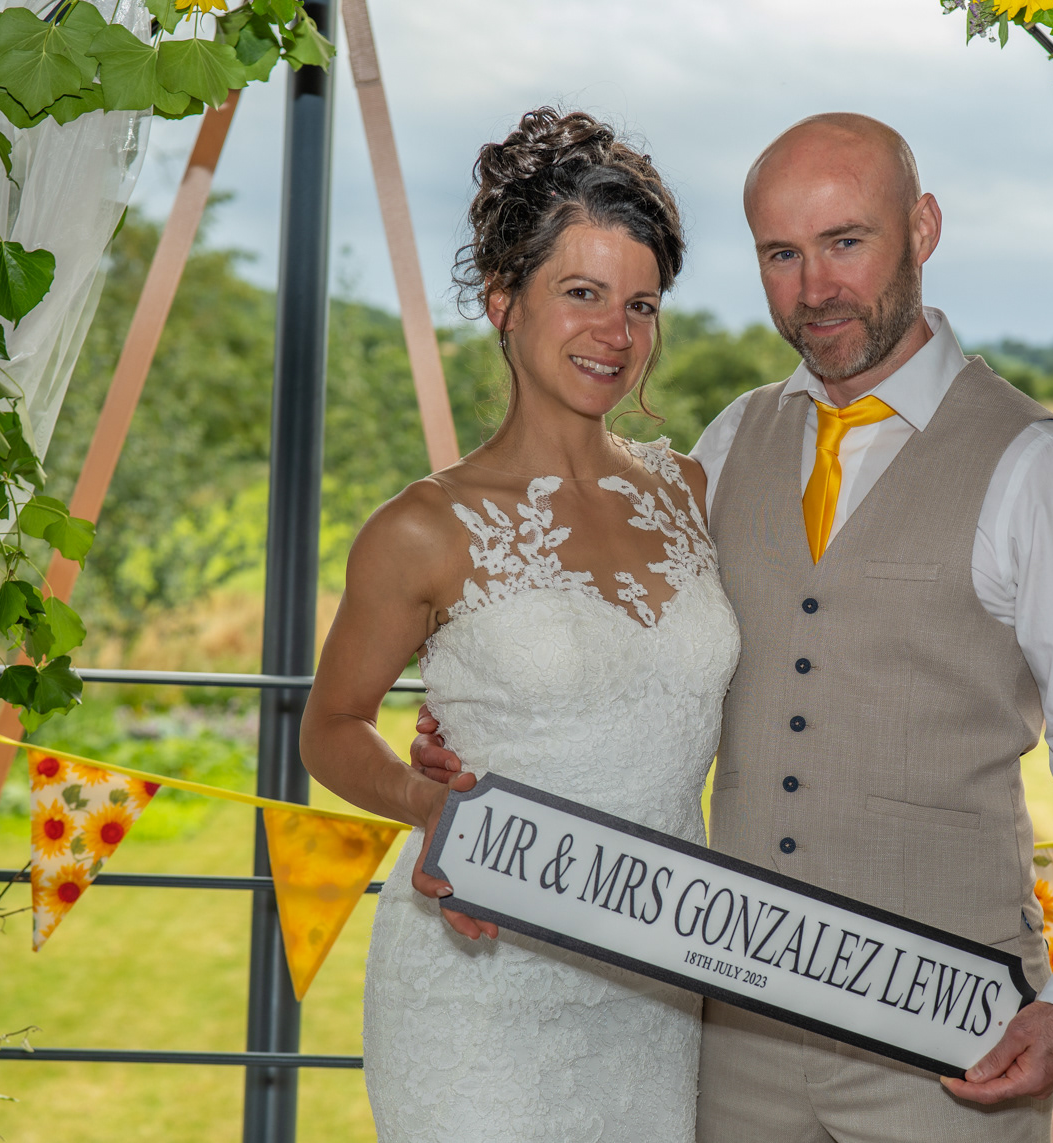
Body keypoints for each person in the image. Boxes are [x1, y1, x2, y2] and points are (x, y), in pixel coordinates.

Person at [414, 112, 1053, 1142]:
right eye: (781, 254)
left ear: (923, 228)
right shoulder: (731, 442)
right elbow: (643, 661)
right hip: (734, 1031)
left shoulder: (1041, 467)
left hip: (948, 1029)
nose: (815, 289)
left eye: (845, 241)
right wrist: (489, 737)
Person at [300, 107, 739, 1143]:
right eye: (581, 293)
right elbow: (329, 727)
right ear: (504, 299)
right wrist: (427, 805)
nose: (615, 334)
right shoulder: (421, 528)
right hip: (480, 968)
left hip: (659, 974)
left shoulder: (689, 490)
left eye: (640, 304)